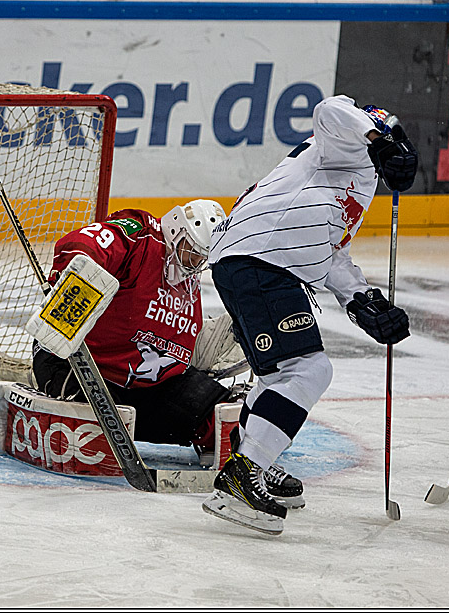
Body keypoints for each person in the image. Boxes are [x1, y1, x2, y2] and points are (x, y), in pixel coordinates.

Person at [201, 95, 417, 535]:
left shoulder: (359, 178)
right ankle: (243, 476)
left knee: (276, 375)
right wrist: (376, 139)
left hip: (254, 261)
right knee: (308, 369)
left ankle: (252, 460)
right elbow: (329, 109)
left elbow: (333, 251)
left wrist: (363, 300)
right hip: (263, 260)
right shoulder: (347, 144)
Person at [29, 200, 303, 505]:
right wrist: (73, 277)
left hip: (150, 384)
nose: (196, 262)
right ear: (176, 229)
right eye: (193, 250)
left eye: (203, 257)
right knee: (91, 434)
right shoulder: (141, 235)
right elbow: (83, 243)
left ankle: (253, 464)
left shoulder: (185, 270)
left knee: (228, 414)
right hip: (79, 363)